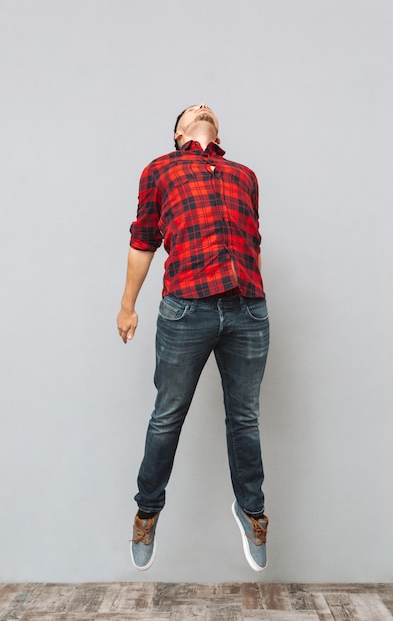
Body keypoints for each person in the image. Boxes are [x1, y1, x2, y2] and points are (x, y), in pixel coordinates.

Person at [117, 103, 269, 572]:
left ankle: (251, 513)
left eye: (208, 108)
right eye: (191, 109)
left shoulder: (244, 174)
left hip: (247, 308)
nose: (202, 106)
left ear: (215, 129)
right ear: (180, 133)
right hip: (187, 308)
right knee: (167, 417)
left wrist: (258, 301)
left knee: (244, 418)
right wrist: (128, 305)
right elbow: (144, 240)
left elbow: (253, 243)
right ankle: (147, 512)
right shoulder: (161, 170)